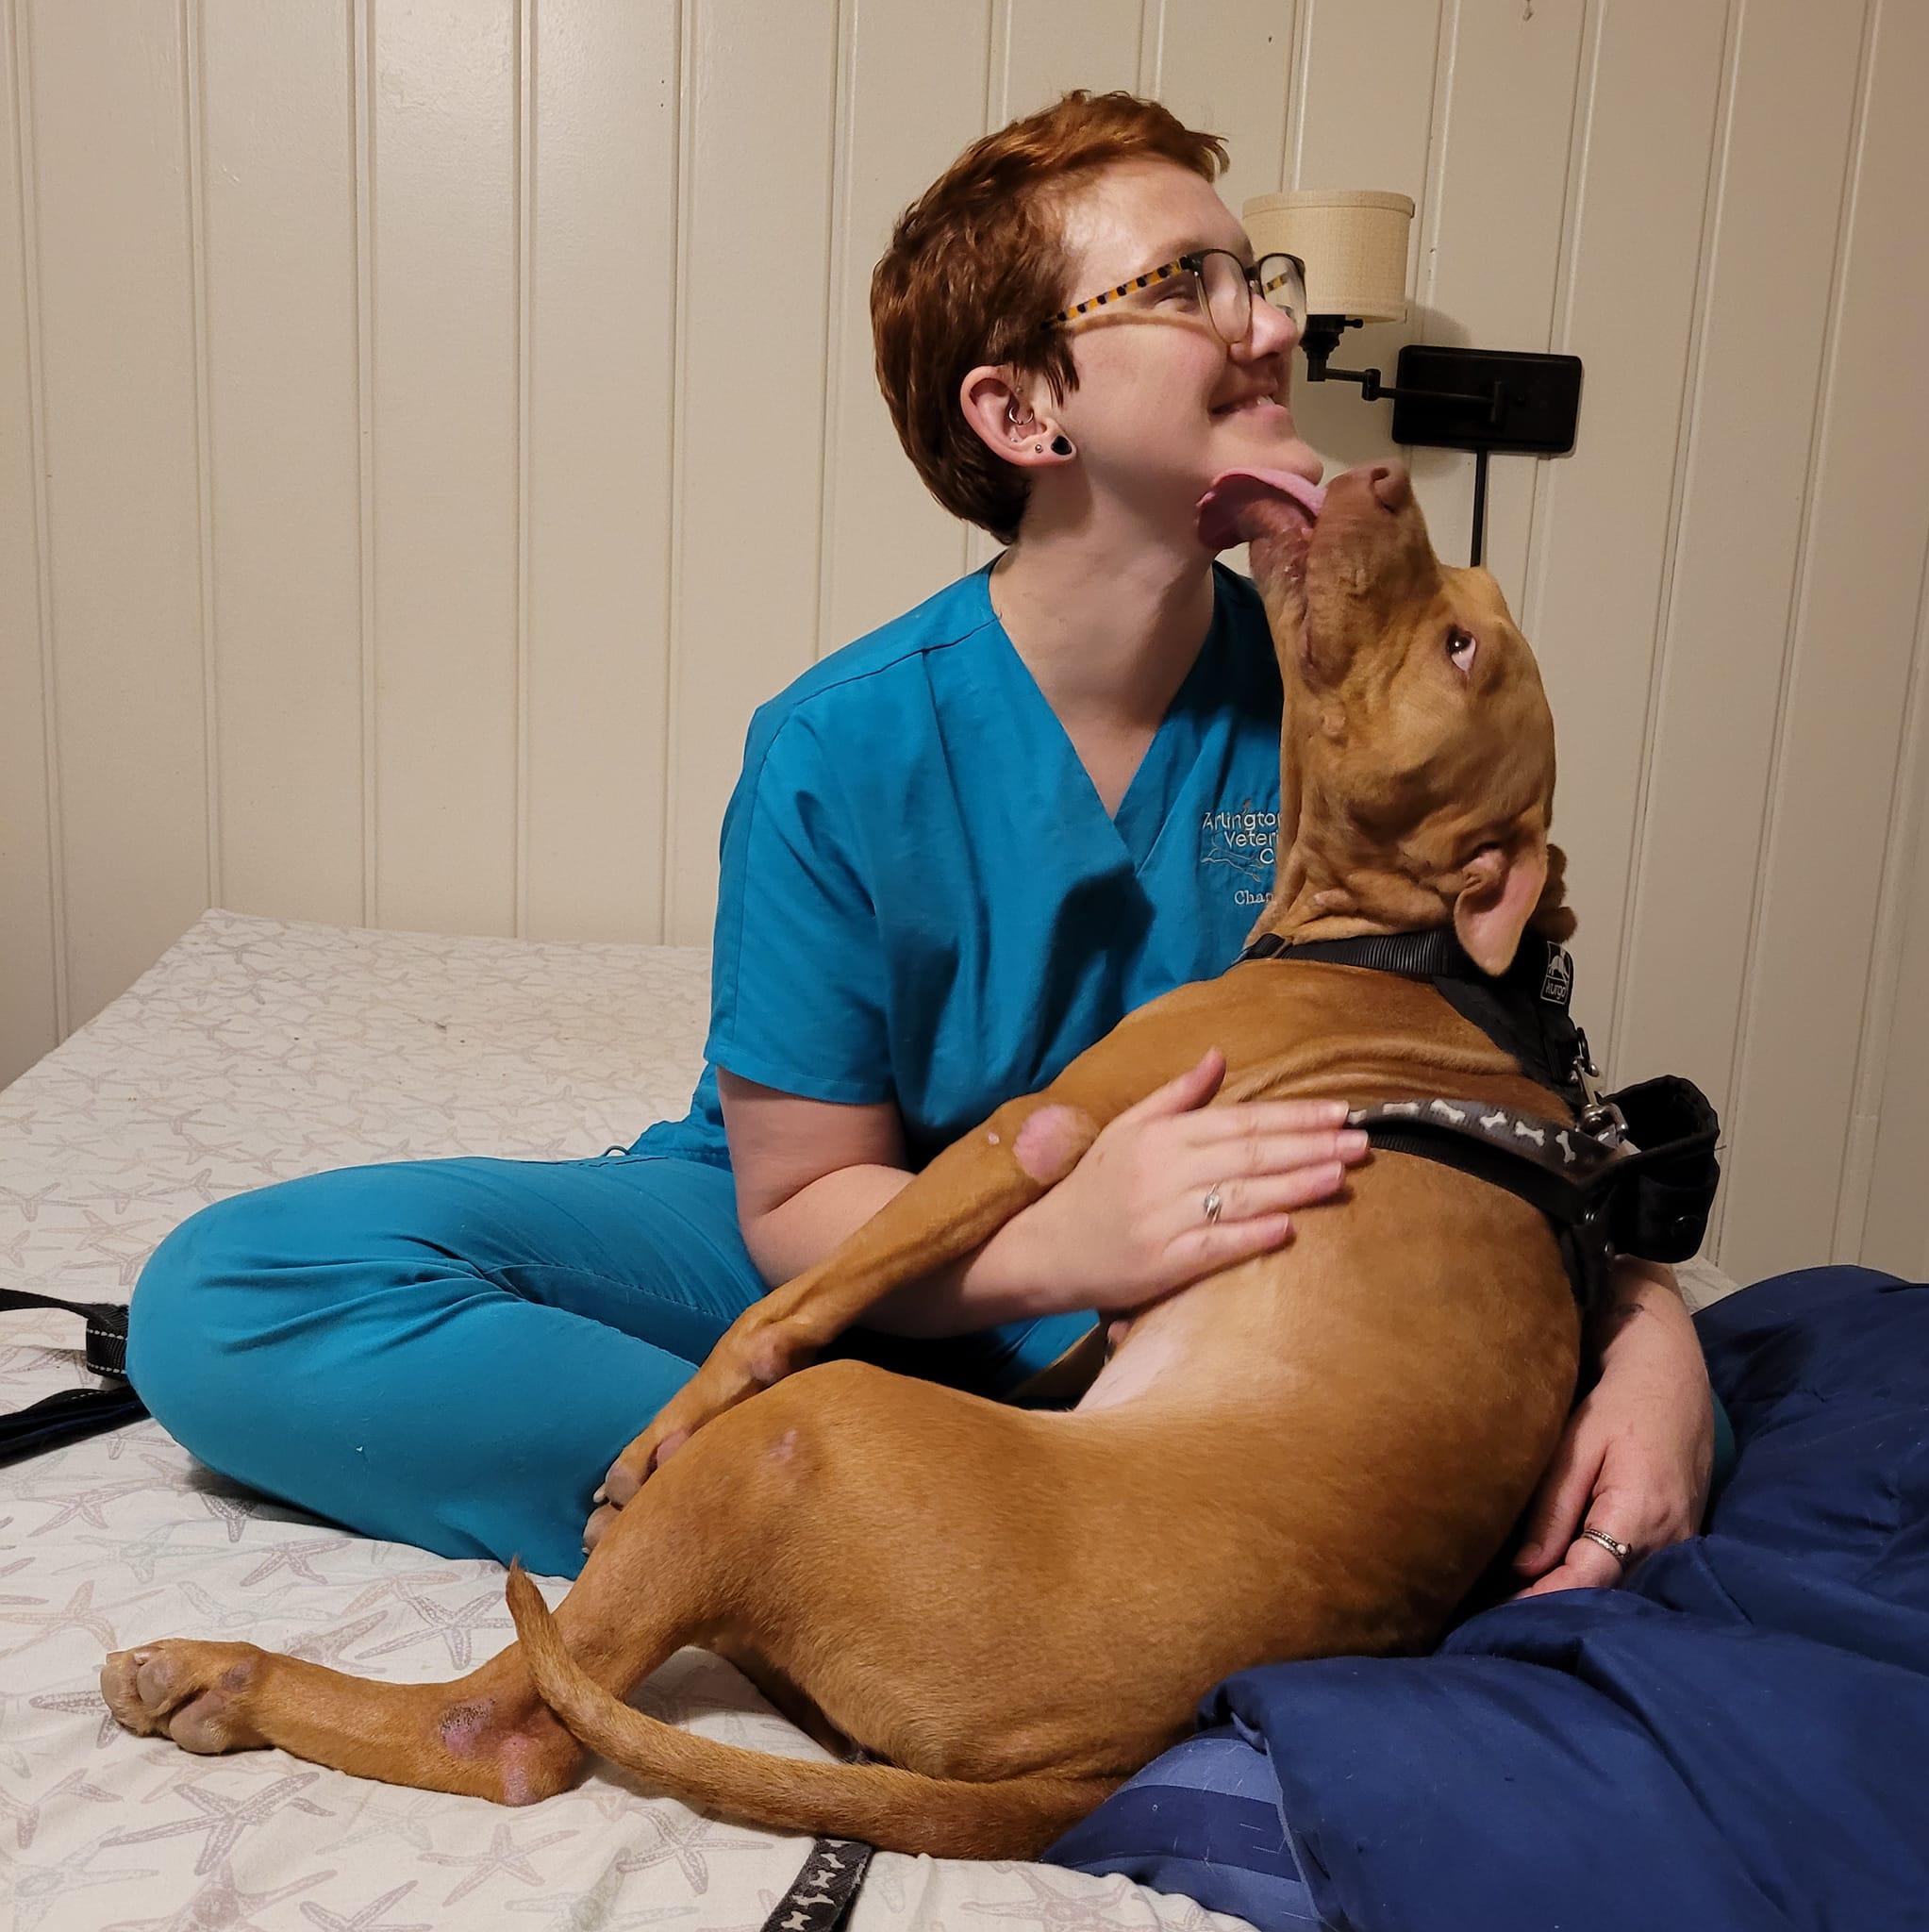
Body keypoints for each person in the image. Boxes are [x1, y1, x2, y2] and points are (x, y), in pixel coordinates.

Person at [127, 90, 1717, 1594]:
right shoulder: (844, 740)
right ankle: (878, 1533)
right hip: (834, 1248)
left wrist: (1652, 1334)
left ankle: (931, 1520)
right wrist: (1052, 1251)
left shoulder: (1334, 721)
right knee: (226, 1300)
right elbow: (803, 1198)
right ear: (1022, 409)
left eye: (1265, 277)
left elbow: (1484, 1095)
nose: (1277, 323)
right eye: (1194, 282)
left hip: (1200, 1312)